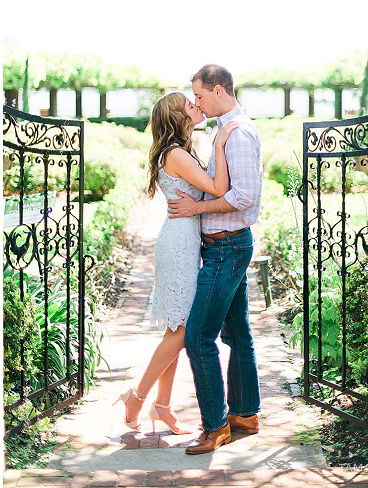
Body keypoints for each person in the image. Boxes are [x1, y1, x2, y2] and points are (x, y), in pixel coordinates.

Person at [115, 92, 238, 434]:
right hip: (179, 247)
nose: (197, 105)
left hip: (182, 242)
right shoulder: (177, 155)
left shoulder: (179, 152)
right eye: (190, 104)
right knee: (183, 331)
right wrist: (219, 146)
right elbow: (218, 188)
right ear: (176, 116)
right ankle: (137, 397)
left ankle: (162, 407)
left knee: (177, 328)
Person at [167, 64, 263, 455]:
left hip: (226, 247)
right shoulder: (226, 130)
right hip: (224, 245)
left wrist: (195, 210)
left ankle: (216, 426)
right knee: (236, 332)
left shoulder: (236, 133)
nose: (197, 103)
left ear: (219, 90)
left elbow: (243, 197)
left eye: (201, 96)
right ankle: (245, 415)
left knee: (197, 337)